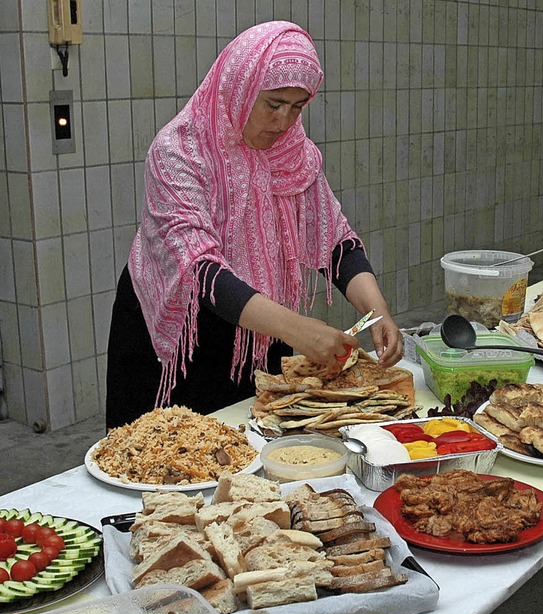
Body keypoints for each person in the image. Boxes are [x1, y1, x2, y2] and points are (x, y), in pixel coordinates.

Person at [105, 21, 403, 429]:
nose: (283, 122)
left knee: (256, 447)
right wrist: (300, 331)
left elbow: (334, 241)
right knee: (171, 461)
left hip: (259, 326)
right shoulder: (178, 151)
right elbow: (200, 271)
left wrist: (377, 311)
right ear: (240, 88)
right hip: (183, 336)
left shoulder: (294, 154)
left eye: (297, 107)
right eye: (274, 103)